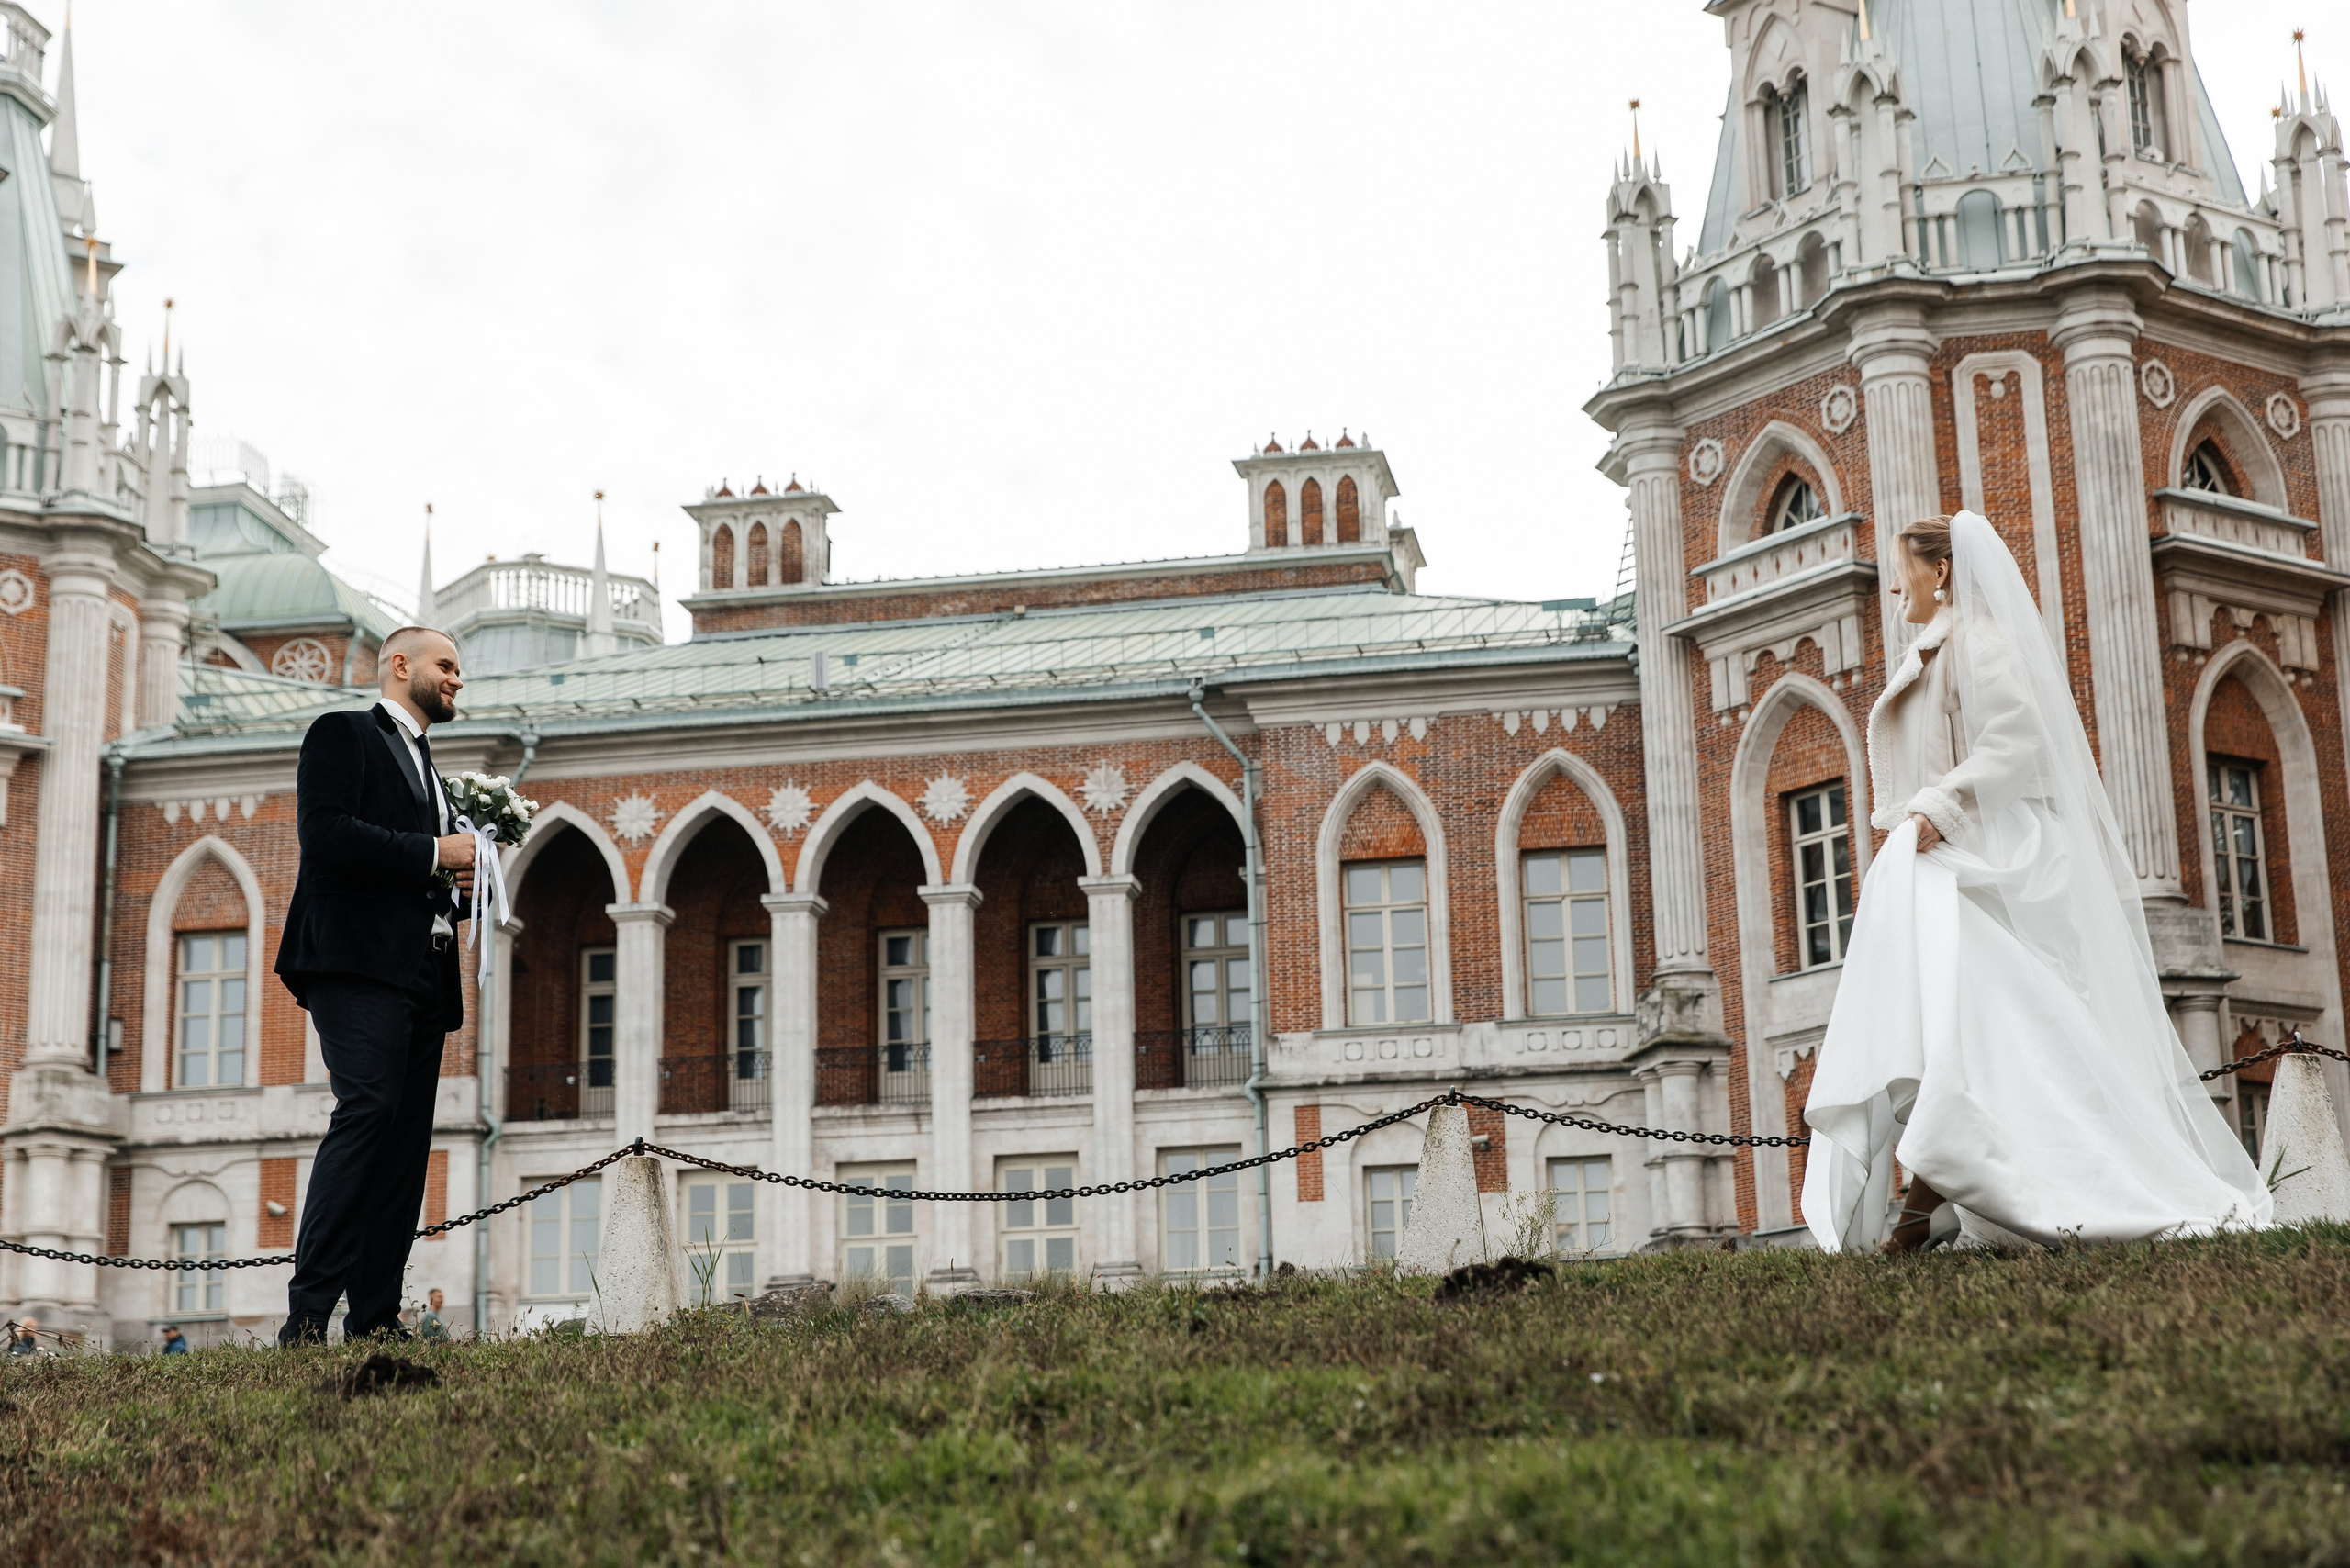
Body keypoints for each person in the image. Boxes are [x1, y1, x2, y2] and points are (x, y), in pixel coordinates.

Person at [1804, 511, 2270, 1251]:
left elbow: (2013, 742)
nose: (1893, 585)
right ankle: (1927, 1208)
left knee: (1976, 1030)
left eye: (1903, 569)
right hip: (1943, 859)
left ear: (1941, 570)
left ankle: (1923, 1212)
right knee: (1958, 1035)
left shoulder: (1980, 644)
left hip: (1986, 860)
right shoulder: (1936, 646)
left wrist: (1937, 809)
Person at [274, 627, 477, 1344]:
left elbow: (425, 873)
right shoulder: (342, 733)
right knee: (367, 1111)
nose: (457, 679)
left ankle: (375, 1315)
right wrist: (434, 852)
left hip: (424, 970)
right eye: (446, 665)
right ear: (401, 665)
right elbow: (326, 834)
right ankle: (307, 1314)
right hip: (355, 962)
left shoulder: (431, 768)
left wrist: (467, 879)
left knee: (403, 1143)